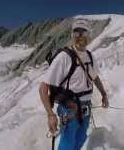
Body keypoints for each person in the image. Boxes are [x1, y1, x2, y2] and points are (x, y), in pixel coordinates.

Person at [39, 19, 109, 150]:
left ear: (89, 35)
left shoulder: (90, 56)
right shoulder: (64, 57)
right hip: (69, 109)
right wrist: (50, 115)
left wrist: (104, 94)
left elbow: (95, 77)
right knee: (67, 144)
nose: (80, 35)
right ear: (72, 36)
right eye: (77, 32)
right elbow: (43, 88)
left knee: (81, 139)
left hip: (86, 109)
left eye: (83, 32)